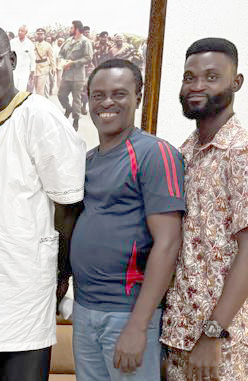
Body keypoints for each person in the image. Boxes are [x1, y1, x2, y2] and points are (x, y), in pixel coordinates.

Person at [0, 25, 86, 381]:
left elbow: (68, 205)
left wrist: (61, 273)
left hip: (25, 290)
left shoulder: (41, 115)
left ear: (12, 59)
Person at [69, 59, 185, 380]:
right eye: (98, 95)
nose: (107, 102)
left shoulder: (155, 154)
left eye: (119, 94)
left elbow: (169, 242)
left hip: (128, 315)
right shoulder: (87, 161)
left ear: (138, 97)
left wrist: (138, 325)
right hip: (85, 310)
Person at [161, 37, 248, 381]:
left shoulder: (240, 151)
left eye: (212, 77)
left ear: (236, 82)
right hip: (178, 337)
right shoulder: (184, 152)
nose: (196, 86)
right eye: (189, 77)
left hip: (222, 345)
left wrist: (213, 334)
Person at [58, 20, 94, 130]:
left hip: (78, 76)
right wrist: (62, 61)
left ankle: (76, 120)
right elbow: (60, 53)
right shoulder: (68, 40)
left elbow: (88, 58)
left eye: (71, 28)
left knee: (76, 99)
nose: (70, 29)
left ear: (77, 29)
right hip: (66, 74)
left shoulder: (85, 42)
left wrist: (73, 63)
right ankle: (68, 108)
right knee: (61, 95)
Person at [10, 25, 35, 93]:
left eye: (22, 31)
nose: (20, 32)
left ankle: (20, 103)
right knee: (13, 88)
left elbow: (32, 58)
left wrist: (32, 71)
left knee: (21, 89)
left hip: (24, 71)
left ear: (26, 33)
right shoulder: (12, 42)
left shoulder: (29, 44)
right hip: (14, 69)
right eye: (19, 30)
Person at [33, 27, 56, 96]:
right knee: (36, 87)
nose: (39, 35)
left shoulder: (47, 45)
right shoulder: (33, 44)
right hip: (35, 67)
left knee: (40, 88)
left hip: (43, 67)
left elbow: (52, 58)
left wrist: (53, 68)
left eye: (41, 34)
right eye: (38, 34)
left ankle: (40, 103)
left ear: (44, 35)